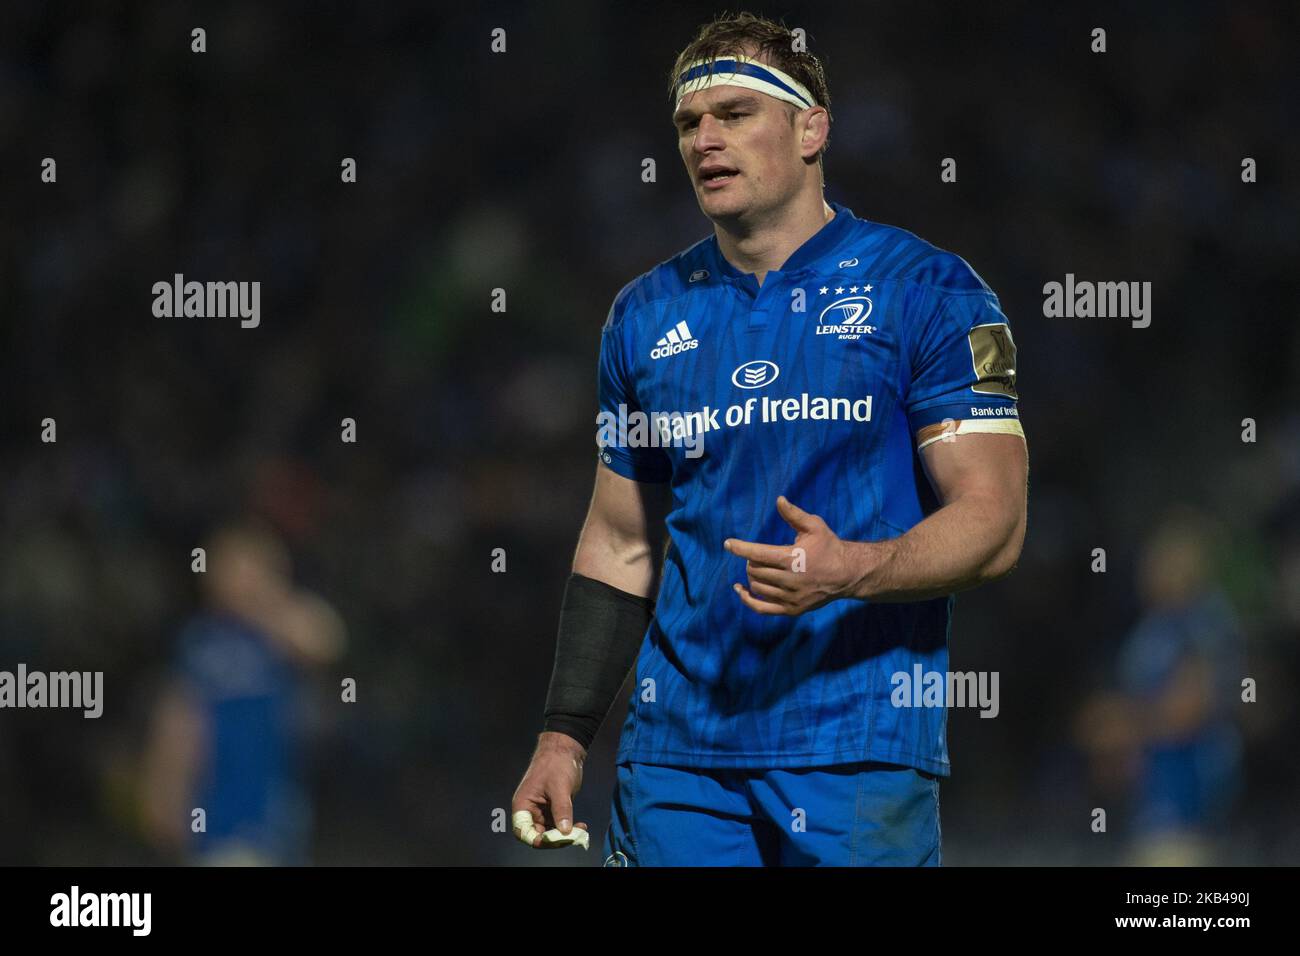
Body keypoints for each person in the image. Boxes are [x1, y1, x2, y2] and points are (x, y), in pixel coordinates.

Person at [512, 11, 1028, 866]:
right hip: (676, 761)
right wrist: (563, 738)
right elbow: (620, 542)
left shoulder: (927, 290)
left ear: (812, 127)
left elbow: (998, 520)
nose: (705, 139)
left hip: (856, 750)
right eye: (688, 123)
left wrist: (852, 569)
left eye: (736, 114)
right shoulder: (642, 315)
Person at [141, 518, 344, 865]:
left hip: (277, 817)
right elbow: (179, 721)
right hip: (216, 821)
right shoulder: (200, 639)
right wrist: (165, 787)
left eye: (242, 564)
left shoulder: (281, 632)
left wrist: (262, 600)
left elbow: (326, 642)